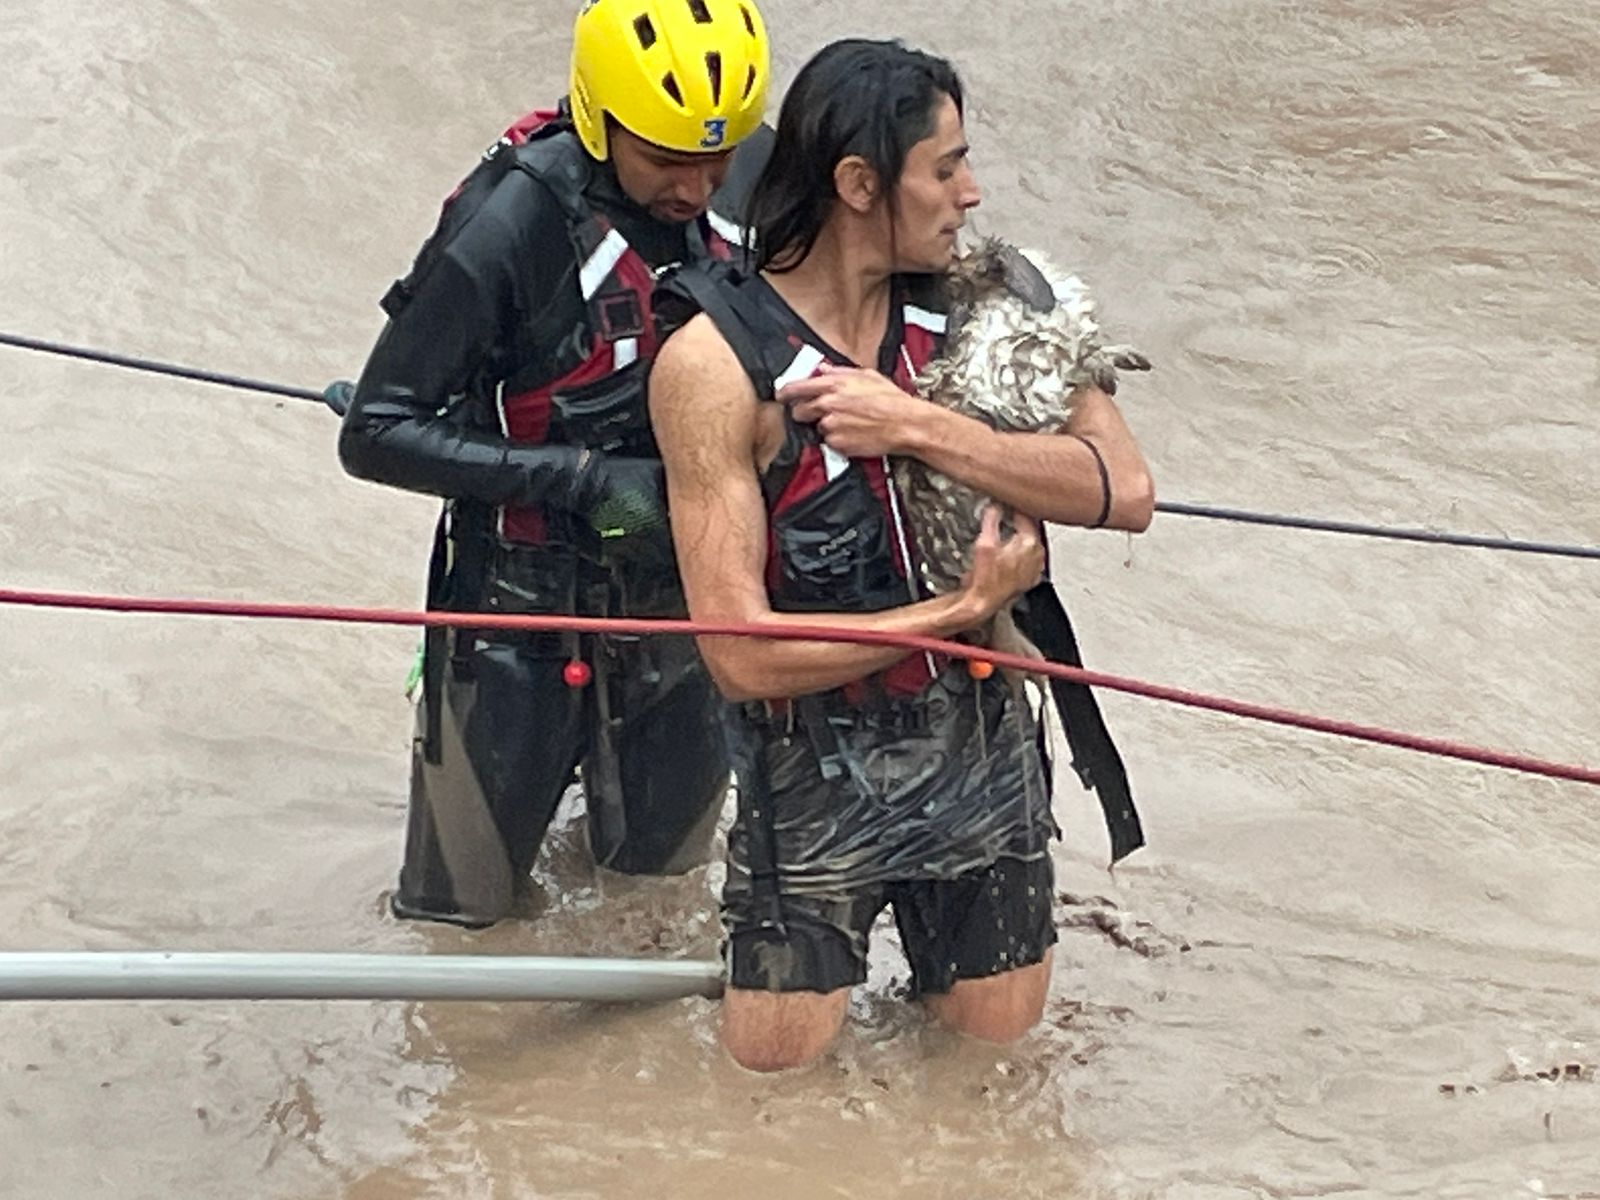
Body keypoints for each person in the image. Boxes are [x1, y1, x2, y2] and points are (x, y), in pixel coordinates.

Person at [648, 38, 1155, 1071]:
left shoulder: (993, 303)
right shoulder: (714, 363)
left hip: (984, 755)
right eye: (944, 167)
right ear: (856, 184)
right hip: (811, 780)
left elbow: (1124, 490)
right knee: (769, 1106)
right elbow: (737, 654)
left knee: (986, 1090)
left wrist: (919, 428)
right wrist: (955, 609)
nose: (971, 194)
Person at [335, 0, 773, 928]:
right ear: (597, 116)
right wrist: (582, 481)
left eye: (717, 156)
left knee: (655, 899)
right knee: (457, 915)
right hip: (514, 614)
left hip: (681, 603)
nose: (697, 188)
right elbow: (375, 430)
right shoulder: (515, 218)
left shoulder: (759, 172)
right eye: (665, 159)